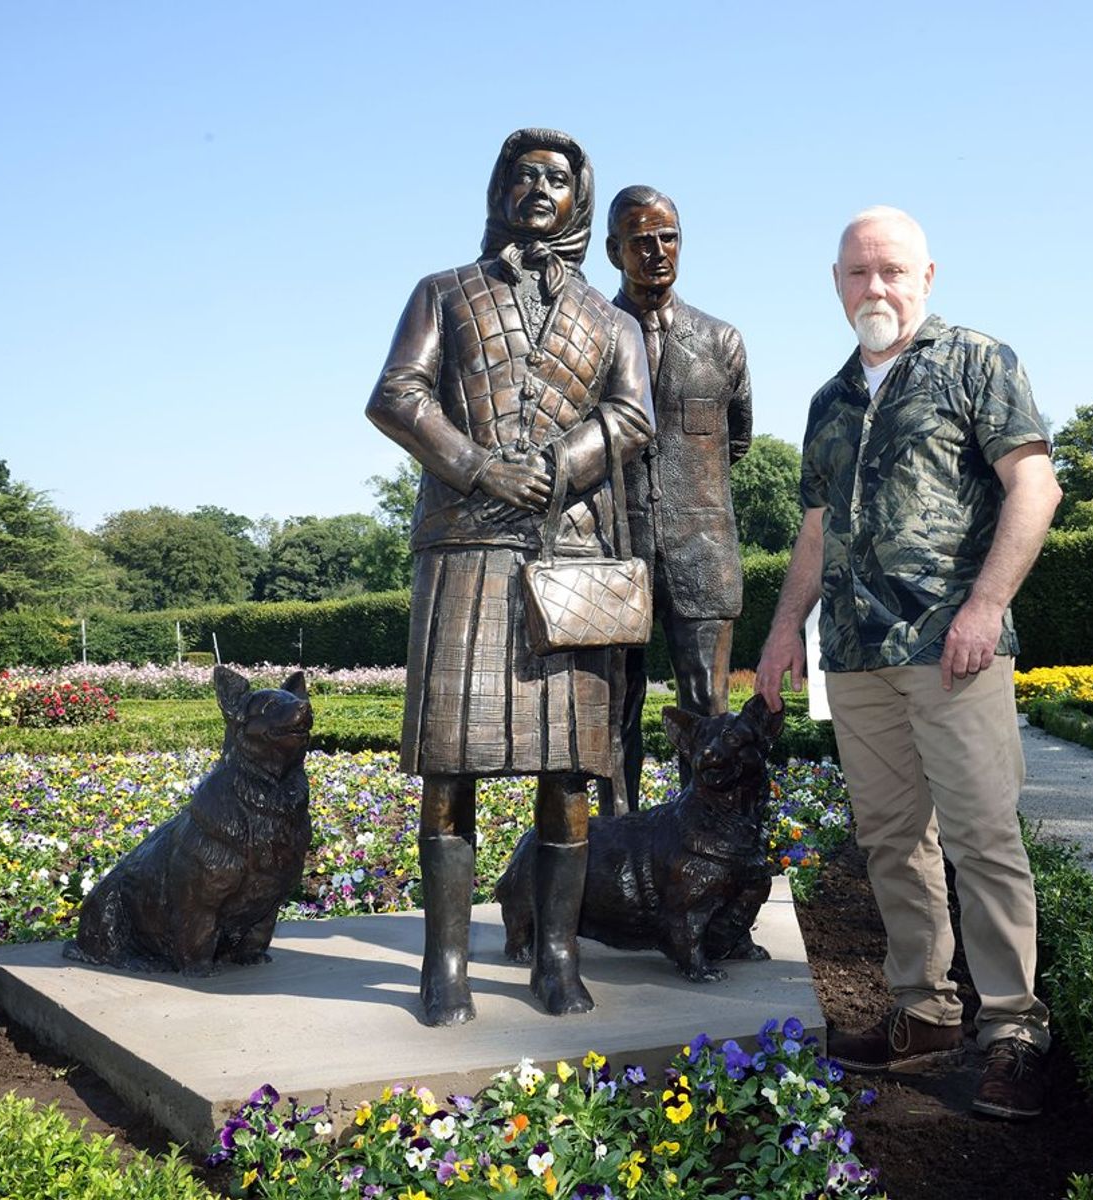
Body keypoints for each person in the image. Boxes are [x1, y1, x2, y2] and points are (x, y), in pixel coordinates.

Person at [755, 206, 1062, 1119]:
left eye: (892, 270)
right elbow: (815, 530)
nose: (874, 287)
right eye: (858, 273)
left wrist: (986, 607)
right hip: (852, 656)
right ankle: (923, 1012)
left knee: (983, 840)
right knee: (892, 840)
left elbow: (1033, 487)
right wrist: (782, 634)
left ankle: (1011, 1028)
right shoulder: (828, 398)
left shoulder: (977, 361)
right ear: (836, 283)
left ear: (927, 276)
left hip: (953, 648)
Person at [365, 128, 651, 1025]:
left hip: (568, 554)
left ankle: (556, 959)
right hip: (462, 546)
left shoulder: (614, 321)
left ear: (579, 197)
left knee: (569, 768)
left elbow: (632, 416)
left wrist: (563, 463)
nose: (539, 187)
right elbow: (396, 396)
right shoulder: (443, 292)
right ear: (501, 190)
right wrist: (481, 467)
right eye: (524, 174)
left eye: (558, 178)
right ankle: (443, 966)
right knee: (451, 765)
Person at [601, 185, 752, 812]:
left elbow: (736, 441)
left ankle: (706, 844)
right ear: (614, 250)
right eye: (641, 240)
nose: (657, 251)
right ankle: (612, 845)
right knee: (609, 717)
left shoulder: (722, 341)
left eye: (668, 237)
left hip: (703, 550)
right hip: (610, 552)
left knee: (708, 711)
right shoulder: (592, 336)